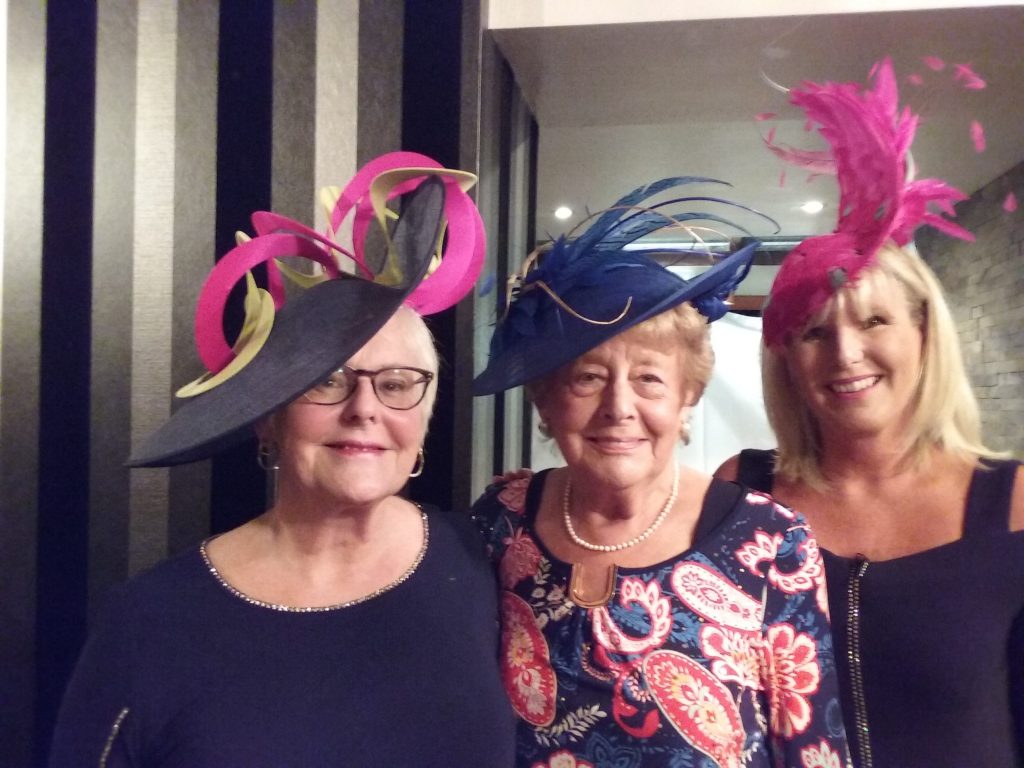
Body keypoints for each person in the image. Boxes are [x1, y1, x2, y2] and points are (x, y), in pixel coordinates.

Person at [49, 154, 515, 767]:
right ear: (268, 418)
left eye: (398, 383)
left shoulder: (486, 562)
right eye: (327, 381)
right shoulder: (150, 622)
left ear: (424, 419)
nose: (365, 409)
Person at [471, 179, 851, 767]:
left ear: (686, 398)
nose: (618, 407)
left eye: (649, 378)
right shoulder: (501, 519)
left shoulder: (773, 541)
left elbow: (813, 749)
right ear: (546, 401)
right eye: (588, 377)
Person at [715, 61, 1024, 767]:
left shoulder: (1012, 504)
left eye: (875, 321)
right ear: (787, 359)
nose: (846, 354)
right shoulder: (742, 493)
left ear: (923, 332)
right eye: (814, 333)